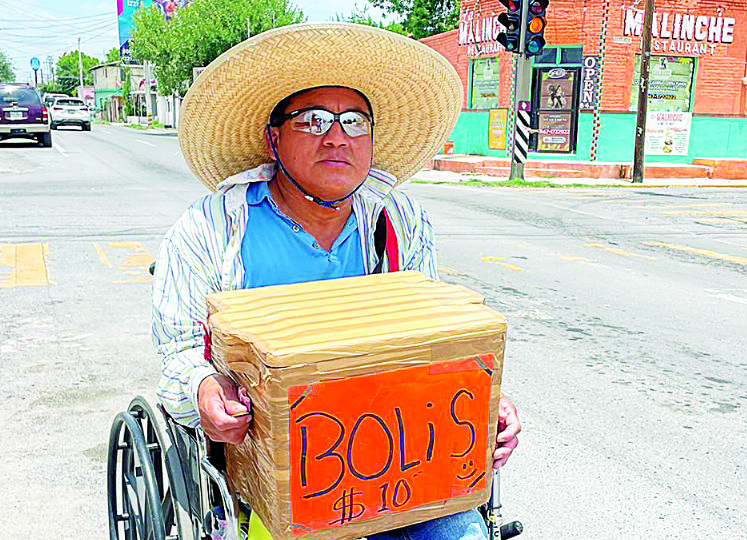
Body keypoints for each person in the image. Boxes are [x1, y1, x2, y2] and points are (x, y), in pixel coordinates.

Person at [152, 22, 521, 540]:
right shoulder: (211, 228)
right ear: (272, 137)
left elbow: (437, 343)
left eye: (354, 122)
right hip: (273, 474)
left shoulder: (400, 219)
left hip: (397, 466)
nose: (336, 137)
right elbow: (182, 352)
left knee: (463, 532)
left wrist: (484, 398)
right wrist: (205, 387)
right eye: (313, 120)